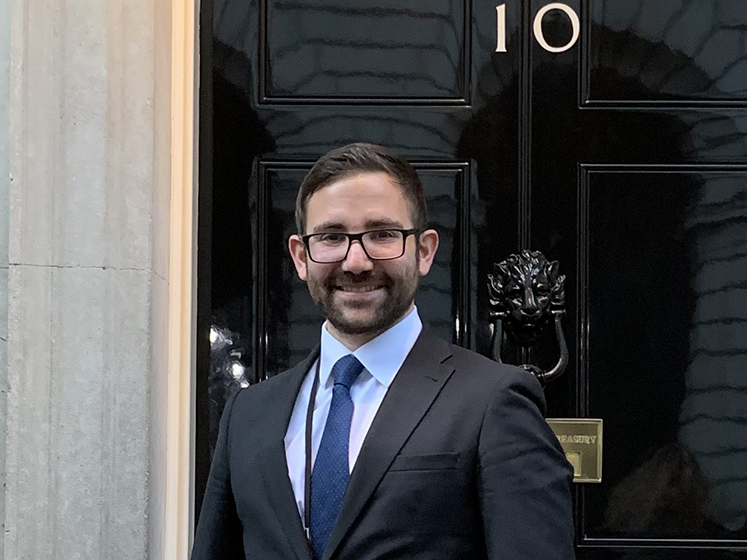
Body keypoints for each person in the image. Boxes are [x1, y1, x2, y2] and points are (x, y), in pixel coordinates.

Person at [191, 143, 575, 560]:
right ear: (301, 257)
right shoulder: (248, 414)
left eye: (383, 234)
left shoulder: (493, 401)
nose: (356, 262)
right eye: (332, 237)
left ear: (424, 251)